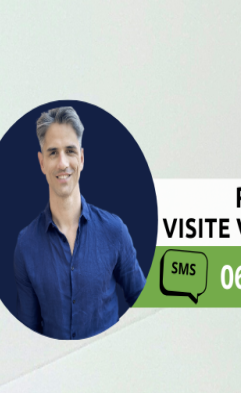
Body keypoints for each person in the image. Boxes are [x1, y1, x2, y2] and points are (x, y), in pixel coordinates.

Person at [11, 106, 146, 339]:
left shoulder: (114, 231)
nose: (63, 163)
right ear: (42, 163)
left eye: (70, 151)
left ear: (81, 159)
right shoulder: (26, 244)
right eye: (53, 153)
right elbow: (28, 335)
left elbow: (145, 305)